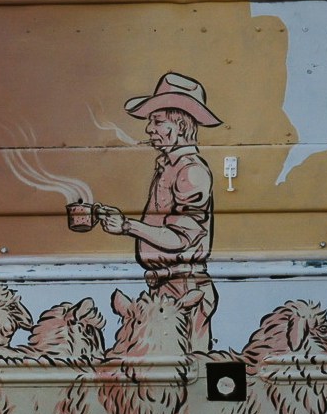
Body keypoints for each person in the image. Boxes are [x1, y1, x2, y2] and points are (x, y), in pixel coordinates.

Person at [65, 72, 221, 324]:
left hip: (183, 290)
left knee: (193, 363)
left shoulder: (190, 171)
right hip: (167, 287)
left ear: (180, 126)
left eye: (157, 121)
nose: (149, 128)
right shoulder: (169, 167)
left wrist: (128, 226)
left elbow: (181, 239)